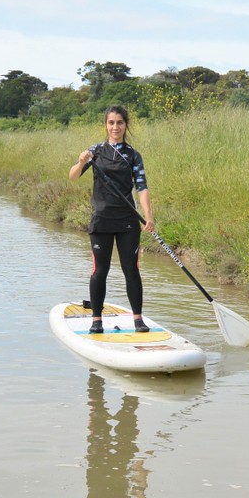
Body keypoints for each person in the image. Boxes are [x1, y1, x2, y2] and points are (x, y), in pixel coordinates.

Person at [68, 105, 154, 334]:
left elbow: (142, 187)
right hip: (101, 220)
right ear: (106, 125)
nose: (115, 127)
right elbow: (73, 176)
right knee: (100, 271)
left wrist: (148, 217)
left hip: (127, 220)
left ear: (126, 125)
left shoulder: (133, 155)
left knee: (131, 270)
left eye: (119, 123)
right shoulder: (95, 151)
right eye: (111, 123)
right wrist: (81, 161)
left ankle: (138, 320)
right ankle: (96, 320)